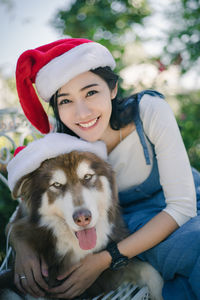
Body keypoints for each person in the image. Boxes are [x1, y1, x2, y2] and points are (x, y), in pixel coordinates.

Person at [5, 38, 200, 300]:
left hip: (186, 206)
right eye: (66, 101)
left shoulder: (149, 111)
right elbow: (25, 209)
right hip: (135, 228)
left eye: (90, 92)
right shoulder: (63, 145)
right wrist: (22, 246)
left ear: (113, 89)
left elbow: (183, 206)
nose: (82, 112)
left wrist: (105, 260)